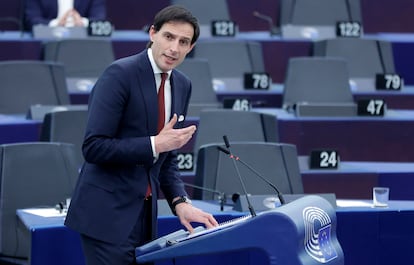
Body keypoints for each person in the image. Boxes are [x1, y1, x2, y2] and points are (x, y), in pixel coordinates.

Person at [64, 5, 219, 265]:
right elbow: (94, 147)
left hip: (145, 216)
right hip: (106, 216)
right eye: (168, 37)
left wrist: (180, 202)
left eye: (183, 42)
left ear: (190, 48)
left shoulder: (182, 84)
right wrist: (154, 144)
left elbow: (166, 156)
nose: (174, 48)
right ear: (153, 34)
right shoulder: (119, 75)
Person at [24, 0, 106, 30]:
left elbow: (100, 19)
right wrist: (56, 24)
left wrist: (82, 22)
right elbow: (31, 20)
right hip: (47, 42)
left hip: (85, 42)